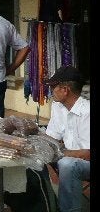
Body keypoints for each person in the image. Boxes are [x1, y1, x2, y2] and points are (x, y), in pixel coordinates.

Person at [44, 66, 90, 212]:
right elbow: (51, 139)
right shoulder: (58, 107)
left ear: (65, 90)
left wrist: (58, 154)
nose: (51, 91)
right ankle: (45, 205)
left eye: (53, 86)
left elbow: (88, 154)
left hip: (84, 162)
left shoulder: (87, 112)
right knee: (34, 156)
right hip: (71, 159)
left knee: (67, 164)